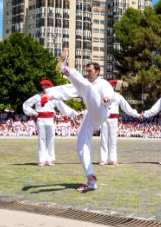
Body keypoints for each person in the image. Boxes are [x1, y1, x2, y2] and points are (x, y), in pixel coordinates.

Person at [46, 54, 114, 192]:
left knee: (88, 87)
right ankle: (91, 179)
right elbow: (67, 90)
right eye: (86, 71)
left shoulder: (103, 83)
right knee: (81, 145)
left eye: (90, 71)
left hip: (102, 110)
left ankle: (66, 70)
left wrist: (108, 97)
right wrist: (49, 95)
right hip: (90, 114)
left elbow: (110, 94)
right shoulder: (83, 86)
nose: (87, 73)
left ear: (98, 72)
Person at [23, 79, 77, 167]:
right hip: (40, 118)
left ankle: (50, 159)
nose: (46, 88)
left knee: (51, 139)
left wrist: (73, 113)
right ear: (42, 87)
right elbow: (26, 105)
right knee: (42, 139)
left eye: (48, 86)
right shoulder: (37, 97)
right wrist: (33, 112)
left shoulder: (54, 97)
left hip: (50, 119)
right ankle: (42, 160)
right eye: (44, 86)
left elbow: (63, 107)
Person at [99, 79, 140, 166]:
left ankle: (113, 159)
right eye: (110, 86)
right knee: (104, 139)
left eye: (113, 86)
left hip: (114, 119)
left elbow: (127, 108)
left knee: (113, 140)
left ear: (114, 87)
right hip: (104, 119)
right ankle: (103, 159)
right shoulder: (102, 96)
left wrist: (137, 115)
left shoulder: (118, 96)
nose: (112, 87)